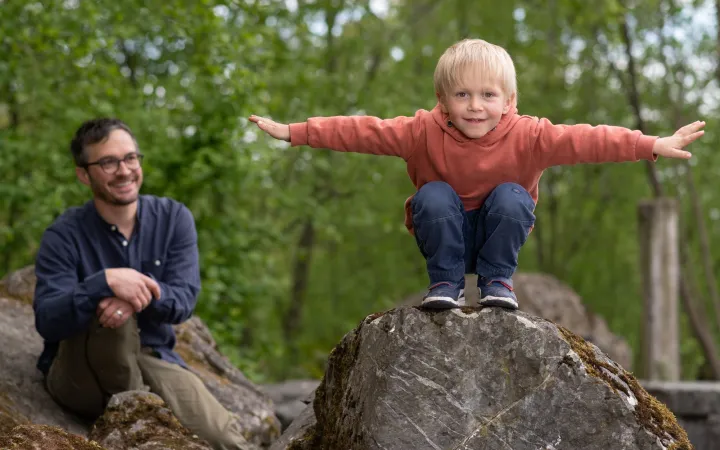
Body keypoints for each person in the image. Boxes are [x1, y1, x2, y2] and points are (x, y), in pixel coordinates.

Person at [248, 38, 705, 310]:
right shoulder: (421, 131)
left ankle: (496, 283)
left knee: (511, 195)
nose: (475, 106)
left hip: (497, 232)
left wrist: (650, 145)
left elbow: (590, 139)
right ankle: (446, 284)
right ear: (443, 99)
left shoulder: (530, 136)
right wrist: (295, 132)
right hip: (443, 229)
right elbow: (361, 131)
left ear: (509, 100)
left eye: (488, 94)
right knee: (433, 195)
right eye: (462, 94)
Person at [33, 118, 249, 450]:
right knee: (111, 313)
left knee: (225, 438)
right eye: (108, 162)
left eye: (130, 158)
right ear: (83, 173)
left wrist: (136, 290)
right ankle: (138, 417)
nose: (124, 170)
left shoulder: (174, 218)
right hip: (80, 370)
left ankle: (140, 408)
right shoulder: (64, 235)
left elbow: (184, 299)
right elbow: (48, 318)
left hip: (151, 356)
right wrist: (103, 282)